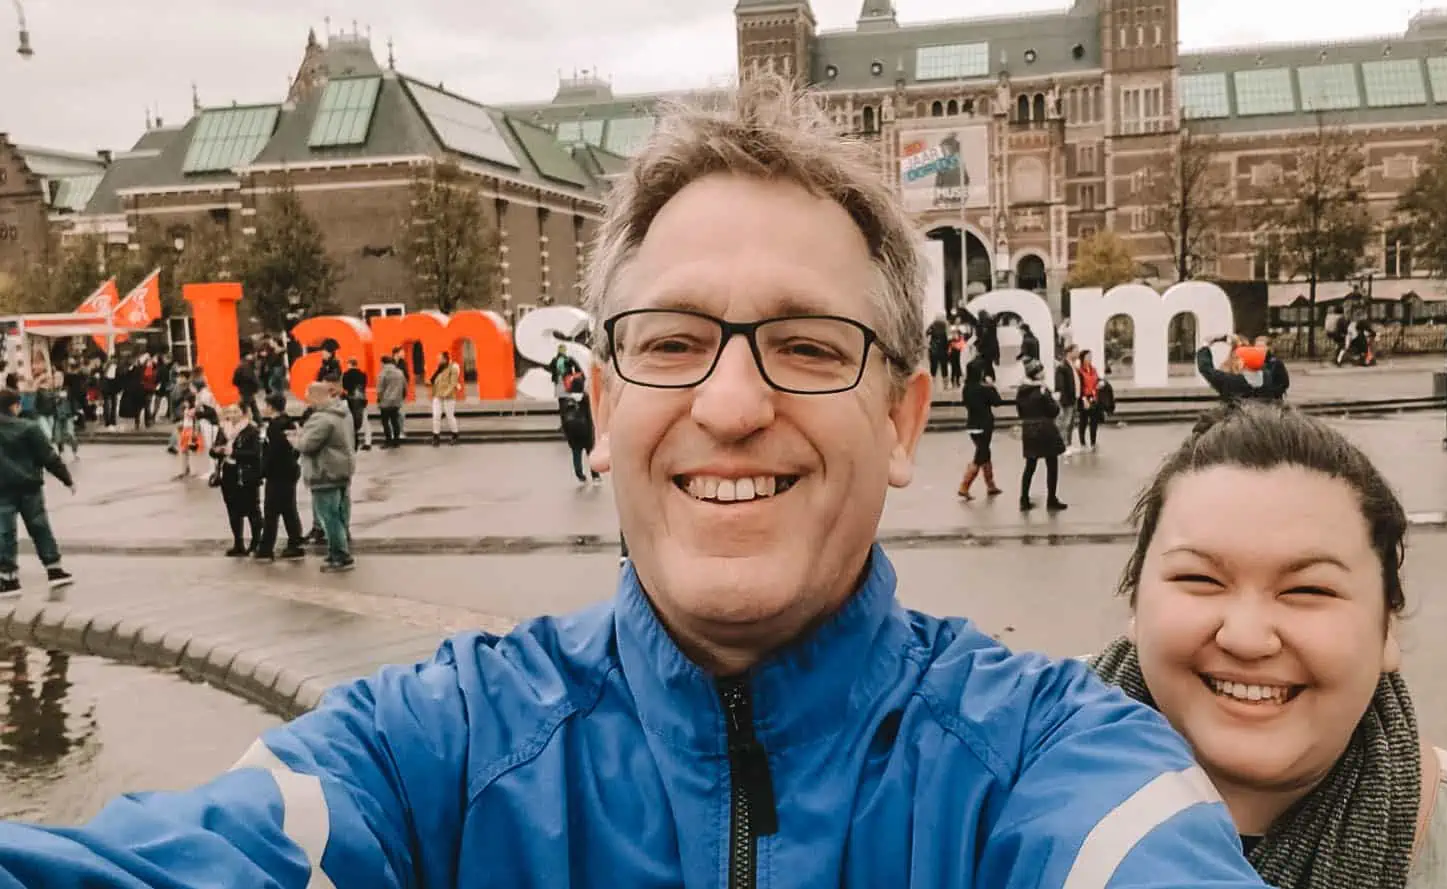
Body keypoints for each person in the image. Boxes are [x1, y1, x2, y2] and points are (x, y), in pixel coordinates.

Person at [0, 77, 1268, 889]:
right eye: (670, 343)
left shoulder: (1054, 766)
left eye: (808, 346)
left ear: (902, 416)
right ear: (601, 408)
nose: (728, 403)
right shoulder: (424, 758)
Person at [1089, 400, 1447, 888]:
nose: (1247, 637)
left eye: (1308, 590)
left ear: (1388, 629)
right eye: (1199, 578)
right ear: (1135, 603)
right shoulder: (1015, 780)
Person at [0, 389, 74, 596]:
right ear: (14, 406)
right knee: (40, 526)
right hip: (30, 487)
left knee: (4, 532)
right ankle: (54, 569)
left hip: (2, 490)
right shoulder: (29, 428)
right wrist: (66, 479)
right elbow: (48, 457)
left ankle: (8, 578)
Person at [296, 381, 356, 572]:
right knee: (339, 513)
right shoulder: (343, 414)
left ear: (315, 397)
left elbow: (307, 445)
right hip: (341, 469)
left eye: (308, 398)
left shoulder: (321, 419)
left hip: (324, 471)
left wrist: (296, 438)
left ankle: (340, 555)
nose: (308, 403)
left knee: (329, 517)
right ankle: (336, 551)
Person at [254, 393, 307, 562]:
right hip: (289, 470)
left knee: (271, 511)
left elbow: (272, 453)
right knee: (288, 509)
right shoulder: (289, 423)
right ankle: (295, 542)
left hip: (277, 474)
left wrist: (262, 471)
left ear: (271, 407)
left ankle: (266, 548)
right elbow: (296, 446)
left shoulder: (274, 427)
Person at [210, 405, 264, 558]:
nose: (232, 415)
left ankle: (256, 542)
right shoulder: (224, 429)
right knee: (233, 509)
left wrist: (233, 452)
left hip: (246, 473)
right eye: (229, 411)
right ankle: (238, 543)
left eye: (236, 411)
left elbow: (255, 454)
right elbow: (214, 449)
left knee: (252, 509)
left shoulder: (251, 431)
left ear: (244, 413)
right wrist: (216, 451)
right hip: (228, 472)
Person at [1013, 359, 1068, 512]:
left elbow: (1020, 412)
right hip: (1045, 429)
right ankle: (1051, 498)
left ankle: (1023, 499)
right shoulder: (1043, 390)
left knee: (1030, 466)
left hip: (1029, 429)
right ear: (1037, 374)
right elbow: (1053, 411)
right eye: (1041, 370)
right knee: (1052, 465)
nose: (1043, 372)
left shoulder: (1021, 391)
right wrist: (1054, 401)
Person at [957, 354, 1003, 500]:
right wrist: (991, 386)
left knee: (985, 453)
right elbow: (997, 402)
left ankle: (991, 485)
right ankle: (964, 486)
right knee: (980, 455)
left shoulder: (967, 388)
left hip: (972, 424)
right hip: (984, 424)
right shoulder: (984, 389)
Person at [557, 369, 600, 484]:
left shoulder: (565, 399)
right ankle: (595, 475)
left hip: (572, 432)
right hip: (586, 431)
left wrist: (566, 432)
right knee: (590, 453)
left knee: (576, 454)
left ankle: (580, 475)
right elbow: (590, 415)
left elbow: (563, 416)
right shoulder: (586, 398)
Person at [429, 351, 461, 445]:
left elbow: (453, 383)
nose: (438, 361)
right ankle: (436, 436)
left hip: (449, 396)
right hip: (437, 395)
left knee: (450, 416)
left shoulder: (453, 368)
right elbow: (436, 380)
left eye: (439, 359)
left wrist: (446, 393)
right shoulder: (439, 368)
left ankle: (455, 435)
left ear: (445, 359)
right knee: (436, 415)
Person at [340, 357, 371, 451]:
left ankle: (352, 442)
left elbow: (344, 387)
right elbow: (365, 385)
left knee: (350, 421)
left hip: (351, 400)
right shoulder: (363, 374)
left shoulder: (346, 374)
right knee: (365, 420)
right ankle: (368, 442)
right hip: (362, 399)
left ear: (349, 364)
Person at [375, 354, 406, 448]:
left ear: (383, 363)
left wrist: (379, 399)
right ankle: (396, 442)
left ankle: (388, 441)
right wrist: (401, 397)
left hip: (385, 401)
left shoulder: (383, 373)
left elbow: (380, 389)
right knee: (394, 421)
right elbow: (405, 386)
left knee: (385, 421)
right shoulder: (400, 372)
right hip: (397, 401)